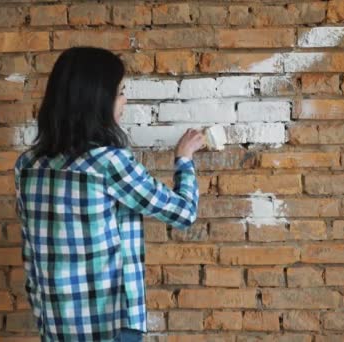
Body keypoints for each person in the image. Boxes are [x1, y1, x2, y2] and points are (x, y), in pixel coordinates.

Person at [14, 46, 204, 341]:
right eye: (120, 92)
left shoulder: (28, 165)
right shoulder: (109, 163)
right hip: (110, 326)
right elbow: (183, 213)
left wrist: (43, 317)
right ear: (97, 101)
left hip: (56, 324)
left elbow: (31, 254)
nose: (124, 101)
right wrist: (184, 159)